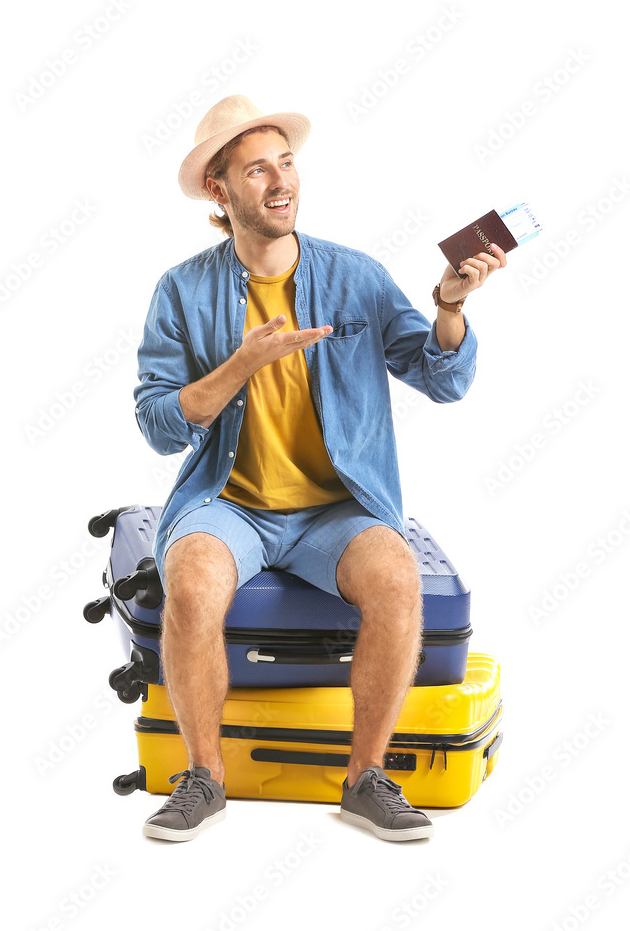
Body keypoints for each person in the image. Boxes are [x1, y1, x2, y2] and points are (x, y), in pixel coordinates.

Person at [133, 94, 505, 843]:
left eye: (287, 163)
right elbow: (157, 423)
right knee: (194, 581)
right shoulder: (181, 289)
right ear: (219, 189)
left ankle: (365, 778)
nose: (280, 181)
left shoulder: (354, 276)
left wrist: (449, 306)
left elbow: (441, 378)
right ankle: (202, 777)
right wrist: (240, 365)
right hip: (226, 501)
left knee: (397, 579)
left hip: (336, 509)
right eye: (257, 168)